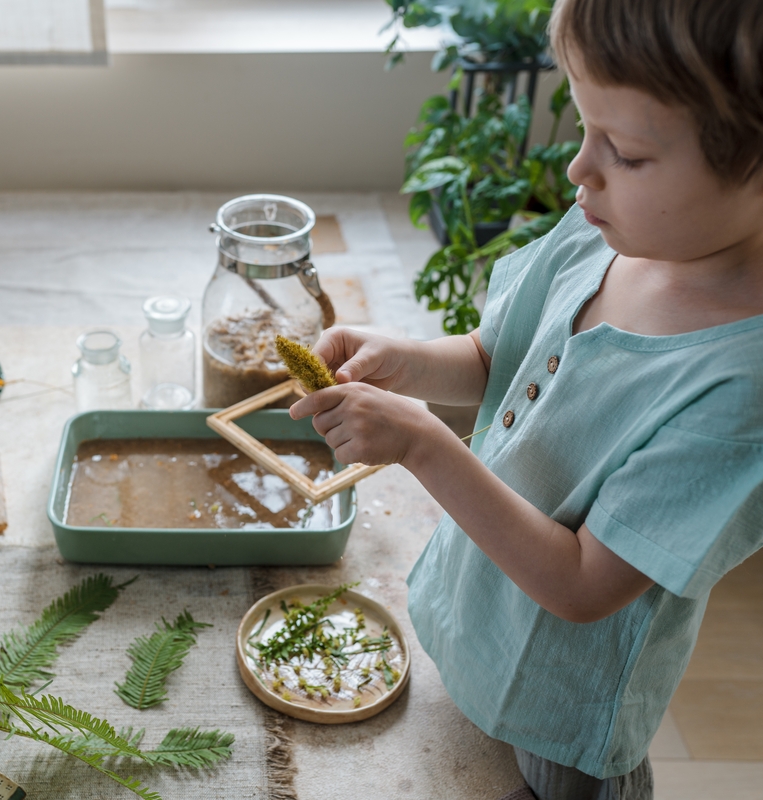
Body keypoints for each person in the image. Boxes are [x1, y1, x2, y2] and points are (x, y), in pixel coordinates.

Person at [289, 1, 763, 798]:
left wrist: (420, 444)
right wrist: (403, 361)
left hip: (558, 714)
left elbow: (581, 586)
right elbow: (494, 358)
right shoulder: (598, 231)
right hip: (476, 619)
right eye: (582, 126)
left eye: (625, 152)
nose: (579, 169)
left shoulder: (738, 390)